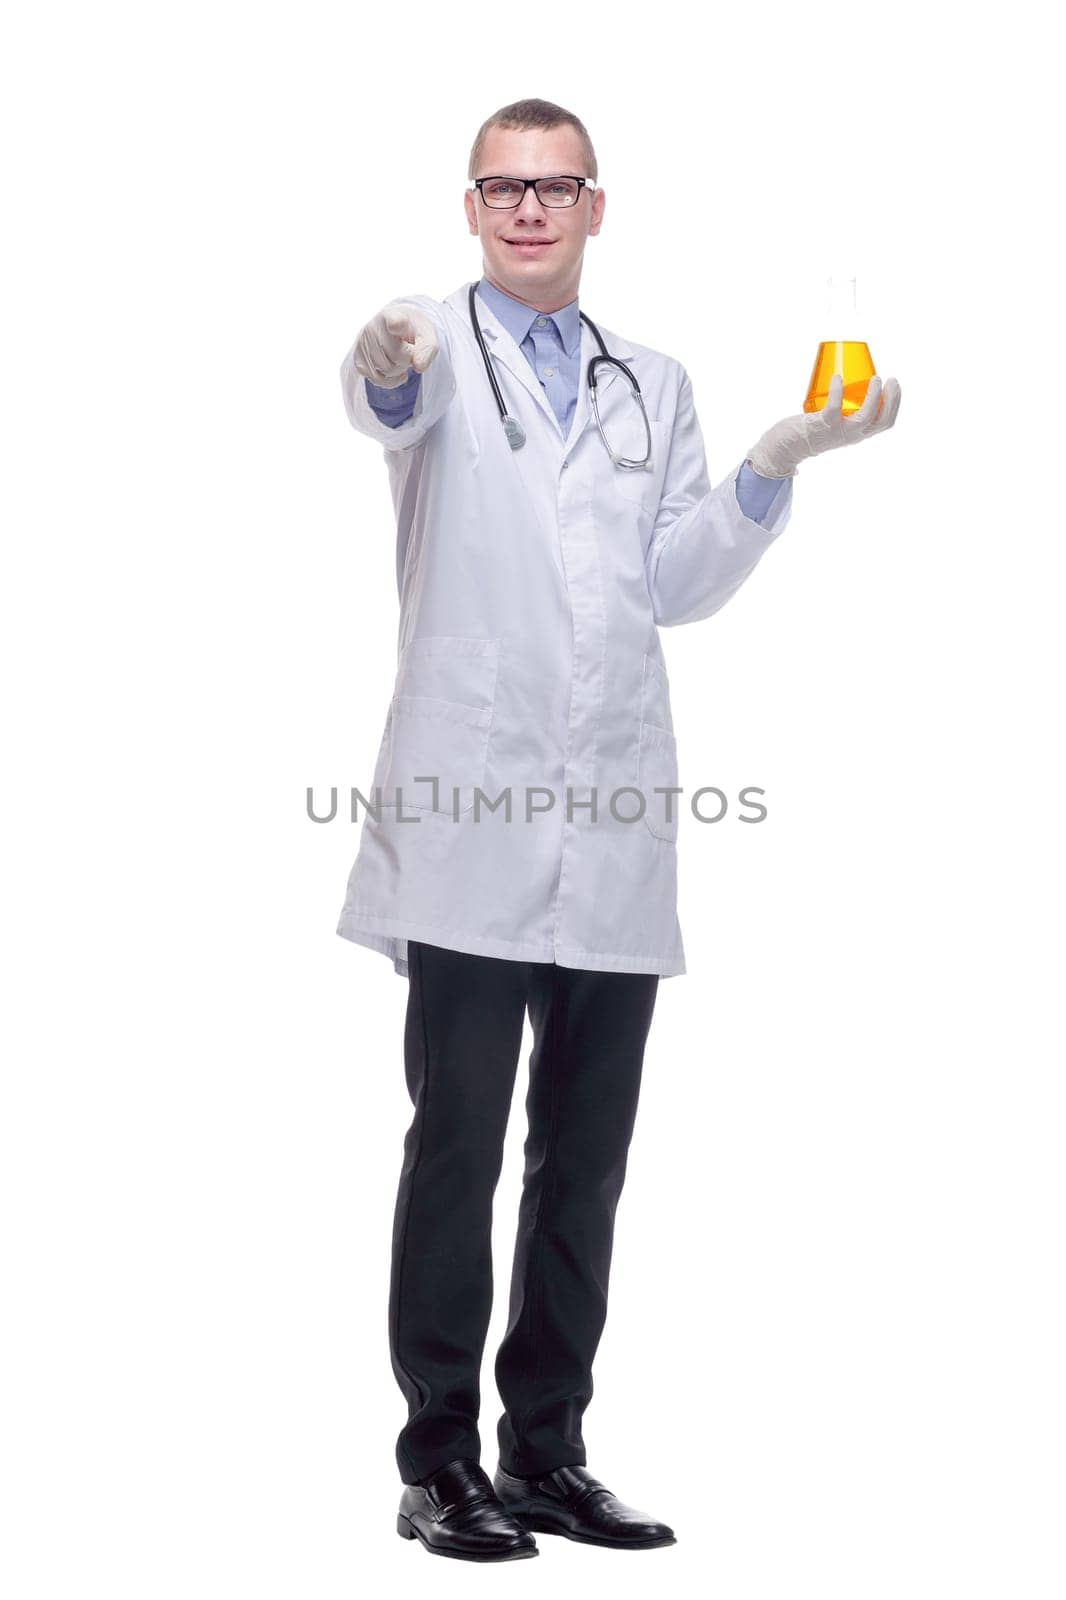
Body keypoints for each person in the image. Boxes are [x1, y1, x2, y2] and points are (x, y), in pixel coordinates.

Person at [335, 98, 901, 1563]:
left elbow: (674, 584)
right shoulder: (428, 341)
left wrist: (774, 462)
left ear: (597, 206)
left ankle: (547, 1455)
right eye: (503, 189)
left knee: (583, 1157)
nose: (529, 209)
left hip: (615, 814)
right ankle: (435, 1462)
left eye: (557, 187)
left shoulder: (651, 382)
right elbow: (382, 401)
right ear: (471, 207)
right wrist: (378, 366)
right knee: (456, 1145)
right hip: (469, 808)